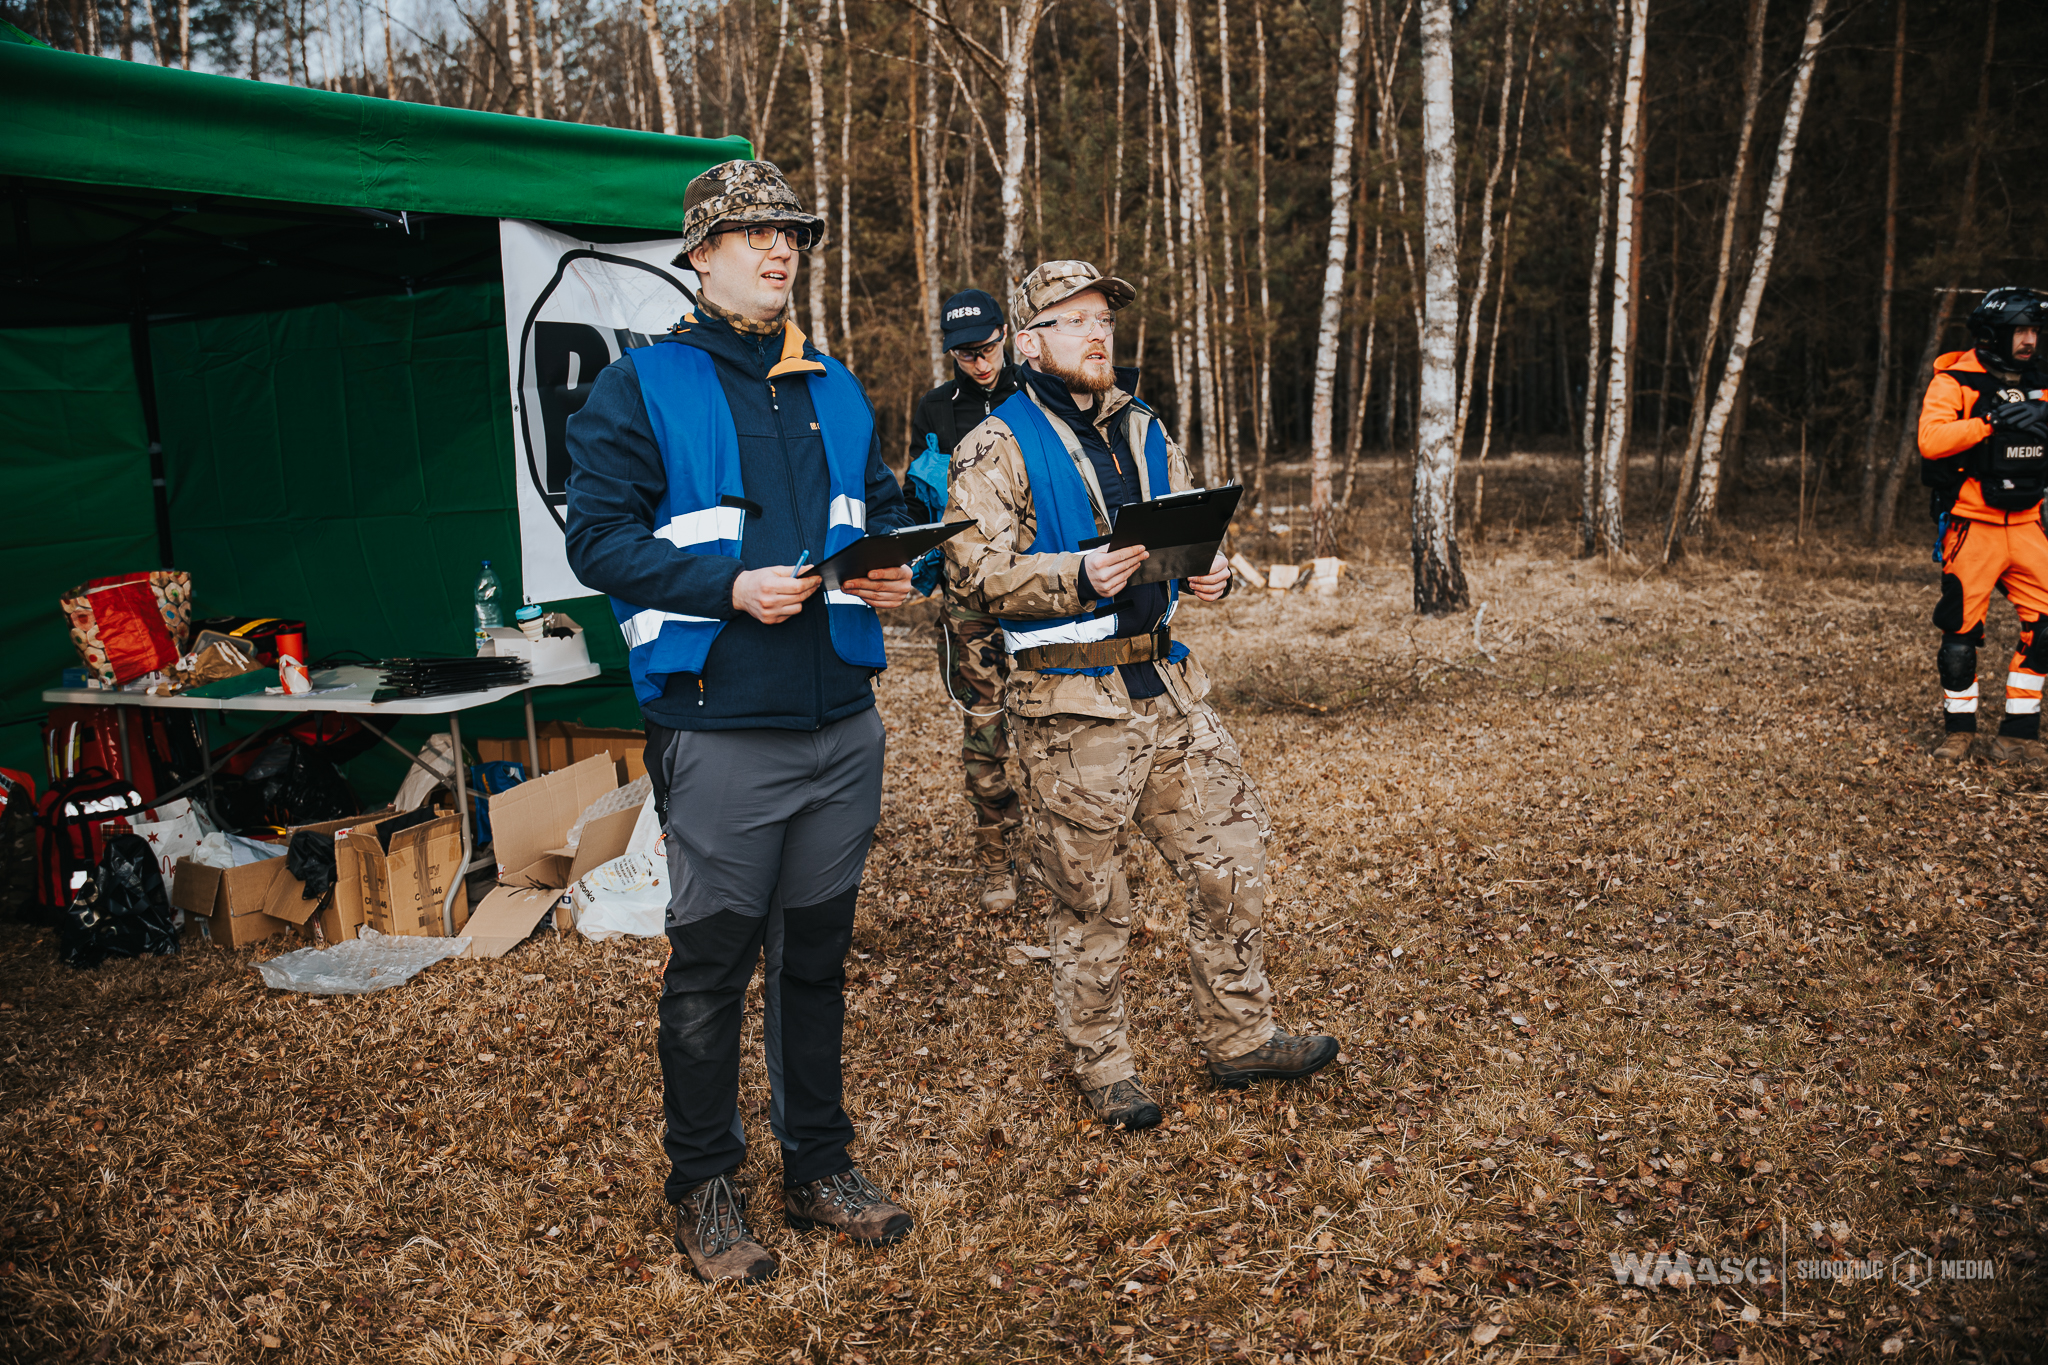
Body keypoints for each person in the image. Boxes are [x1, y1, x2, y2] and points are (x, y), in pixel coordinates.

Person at [563, 159, 917, 1284]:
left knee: (813, 958)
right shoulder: (640, 387)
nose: (778, 251)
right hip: (719, 727)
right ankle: (703, 1185)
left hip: (839, 720)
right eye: (751, 234)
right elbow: (597, 541)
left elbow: (886, 508)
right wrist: (726, 587)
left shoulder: (839, 387)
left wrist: (895, 571)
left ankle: (818, 1166)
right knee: (710, 966)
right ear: (699, 255)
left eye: (790, 234)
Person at [941, 259, 1339, 1132]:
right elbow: (972, 574)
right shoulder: (994, 443)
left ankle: (1242, 1036)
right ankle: (1105, 1065)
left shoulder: (1148, 428)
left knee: (1233, 862)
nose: (1097, 334)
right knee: (1092, 901)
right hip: (1068, 706)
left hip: (1166, 686)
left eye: (1105, 321)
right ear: (1032, 339)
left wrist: (1212, 573)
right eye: (1076, 320)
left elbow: (1190, 528)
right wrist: (1076, 573)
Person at [905, 289, 1026, 913]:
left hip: (1039, 583)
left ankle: (1066, 847)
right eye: (964, 354)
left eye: (986, 348)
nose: (979, 363)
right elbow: (919, 498)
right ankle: (996, 856)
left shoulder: (1036, 390)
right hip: (968, 590)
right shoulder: (935, 407)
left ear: (1006, 334)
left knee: (1060, 713)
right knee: (984, 719)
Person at [1919, 286, 2048, 766]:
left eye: (2034, 330)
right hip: (1974, 525)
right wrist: (1988, 422)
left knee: (2046, 627)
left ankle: (2018, 733)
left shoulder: (2040, 381)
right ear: (1993, 334)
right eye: (2020, 331)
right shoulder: (1954, 378)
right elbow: (1931, 440)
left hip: (2030, 525)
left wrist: (2043, 412)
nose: (2029, 340)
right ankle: (1959, 733)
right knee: (1959, 635)